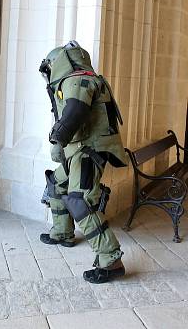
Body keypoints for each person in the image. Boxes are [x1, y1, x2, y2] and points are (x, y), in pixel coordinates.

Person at [39, 41, 128, 284]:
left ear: (57, 63)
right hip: (78, 151)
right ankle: (63, 232)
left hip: (88, 152)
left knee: (81, 202)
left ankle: (111, 259)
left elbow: (75, 112)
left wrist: (57, 140)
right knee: (56, 184)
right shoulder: (80, 78)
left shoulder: (78, 79)